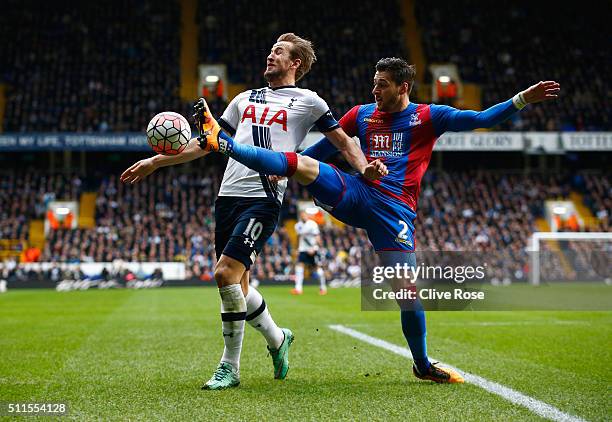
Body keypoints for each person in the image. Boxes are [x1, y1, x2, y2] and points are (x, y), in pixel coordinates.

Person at [195, 57, 560, 383]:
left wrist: (523, 98)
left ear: (402, 87)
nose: (375, 90)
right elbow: (326, 148)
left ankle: (421, 364)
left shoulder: (429, 116)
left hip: (394, 211)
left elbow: (482, 119)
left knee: (407, 293)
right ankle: (225, 144)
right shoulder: (362, 114)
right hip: (357, 191)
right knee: (304, 163)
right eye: (374, 83)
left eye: (382, 84)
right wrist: (290, 165)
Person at [120, 33, 386, 390]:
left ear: (295, 64)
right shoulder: (242, 99)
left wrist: (364, 168)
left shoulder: (309, 101)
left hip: (264, 198)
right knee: (240, 287)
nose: (270, 56)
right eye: (271, 50)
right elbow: (207, 144)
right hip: (227, 197)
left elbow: (342, 140)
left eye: (279, 52)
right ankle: (278, 339)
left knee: (224, 275)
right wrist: (156, 161)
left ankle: (229, 366)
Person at [292, 211, 327, 295]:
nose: (303, 216)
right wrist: (296, 249)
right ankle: (298, 289)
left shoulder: (312, 224)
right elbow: (299, 237)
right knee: (299, 266)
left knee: (317, 268)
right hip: (303, 249)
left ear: (307, 216)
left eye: (304, 215)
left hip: (313, 249)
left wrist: (315, 248)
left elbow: (317, 237)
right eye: (302, 215)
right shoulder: (298, 226)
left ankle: (323, 288)